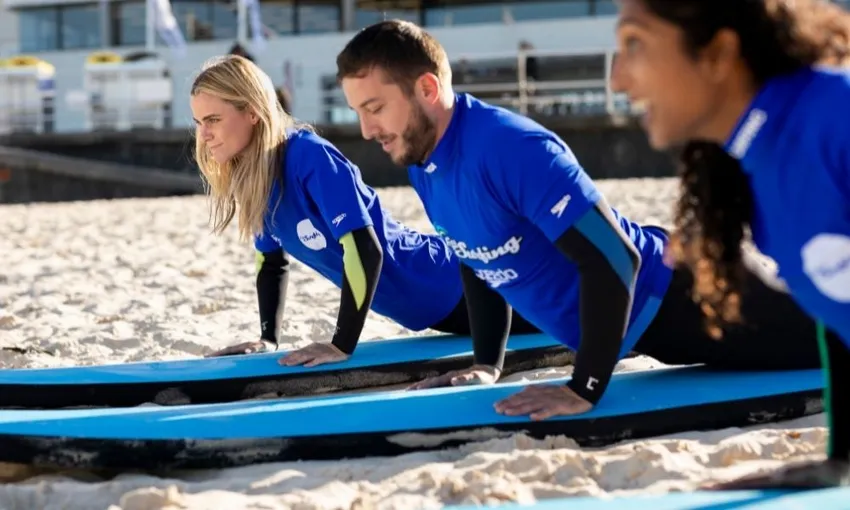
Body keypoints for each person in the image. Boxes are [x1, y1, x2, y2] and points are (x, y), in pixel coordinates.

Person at [334, 20, 824, 421]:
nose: (366, 129)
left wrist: (584, 387)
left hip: (691, 299)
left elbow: (615, 257)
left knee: (832, 340)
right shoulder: (423, 159)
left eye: (375, 108)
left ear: (426, 88)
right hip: (650, 330)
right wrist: (487, 364)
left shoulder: (508, 148)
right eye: (357, 112)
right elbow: (474, 256)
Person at [610, 0, 850, 489]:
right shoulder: (751, 166)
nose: (617, 80)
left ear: (718, 53)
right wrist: (839, 461)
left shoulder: (834, 118)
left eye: (635, 43)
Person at [188, 55, 540, 367]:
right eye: (199, 122)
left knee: (568, 316)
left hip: (456, 283)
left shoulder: (308, 156)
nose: (203, 135)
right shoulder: (255, 180)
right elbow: (271, 262)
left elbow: (365, 250)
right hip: (435, 310)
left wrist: (341, 345)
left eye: (213, 119)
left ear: (252, 111)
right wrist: (268, 338)